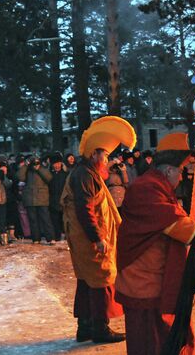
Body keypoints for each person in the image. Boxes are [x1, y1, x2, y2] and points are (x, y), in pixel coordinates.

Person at [115, 132, 195, 355]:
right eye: (181, 172)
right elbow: (169, 219)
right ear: (169, 170)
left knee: (162, 334)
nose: (181, 177)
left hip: (151, 276)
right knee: (149, 340)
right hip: (142, 279)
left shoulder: (156, 185)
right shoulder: (146, 188)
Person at [61, 116, 136, 344]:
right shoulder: (85, 174)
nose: (106, 159)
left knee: (86, 280)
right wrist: (97, 238)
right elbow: (85, 209)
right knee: (101, 280)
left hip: (84, 238)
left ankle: (84, 328)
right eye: (104, 155)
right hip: (89, 238)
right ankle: (100, 329)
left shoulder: (87, 172)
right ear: (94, 154)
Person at [18, 156, 54, 244]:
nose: (35, 164)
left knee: (46, 219)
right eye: (33, 163)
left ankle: (50, 238)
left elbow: (49, 178)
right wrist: (26, 165)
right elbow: (20, 177)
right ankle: (36, 238)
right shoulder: (27, 170)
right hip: (30, 198)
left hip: (42, 198)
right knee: (33, 220)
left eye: (37, 162)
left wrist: (39, 169)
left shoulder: (43, 169)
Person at [48, 153, 68, 243]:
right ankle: (57, 236)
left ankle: (66, 234)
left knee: (64, 219)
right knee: (54, 219)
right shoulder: (49, 174)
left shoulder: (66, 174)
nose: (57, 165)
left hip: (64, 199)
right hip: (52, 200)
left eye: (58, 163)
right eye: (55, 164)